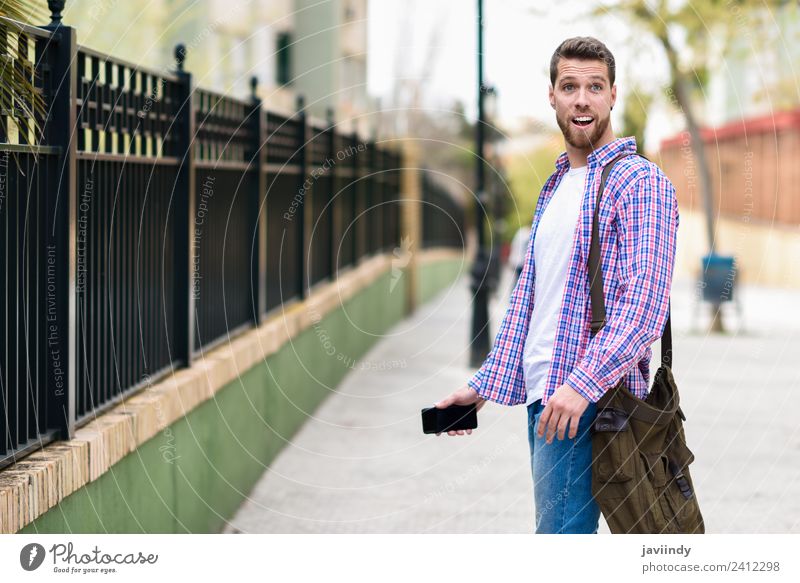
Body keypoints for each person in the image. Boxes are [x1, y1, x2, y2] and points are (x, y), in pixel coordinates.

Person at [434, 36, 679, 534]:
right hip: (547, 398)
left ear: (613, 95)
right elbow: (532, 303)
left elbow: (644, 308)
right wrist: (482, 387)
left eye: (595, 86)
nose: (582, 99)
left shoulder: (640, 183)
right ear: (552, 96)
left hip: (592, 402)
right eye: (570, 86)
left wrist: (579, 388)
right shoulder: (557, 186)